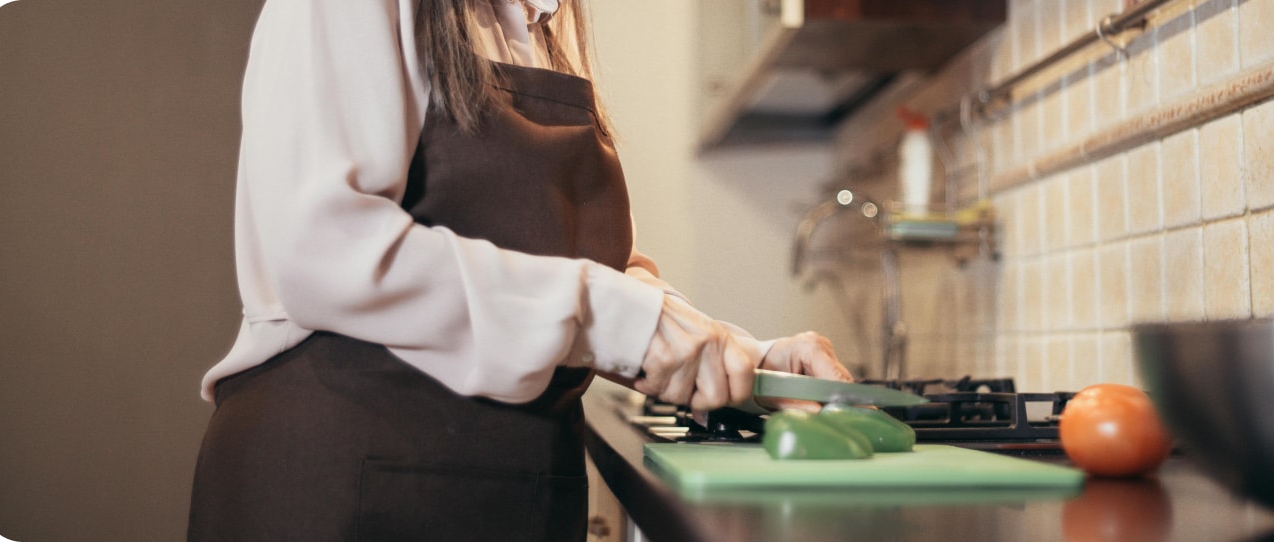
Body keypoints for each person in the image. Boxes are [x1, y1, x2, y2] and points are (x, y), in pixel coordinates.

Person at [186, 0, 852, 539]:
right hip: (346, 483)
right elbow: (324, 251)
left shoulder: (543, 21)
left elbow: (586, 273)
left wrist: (740, 358)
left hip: (506, 490)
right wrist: (622, 318)